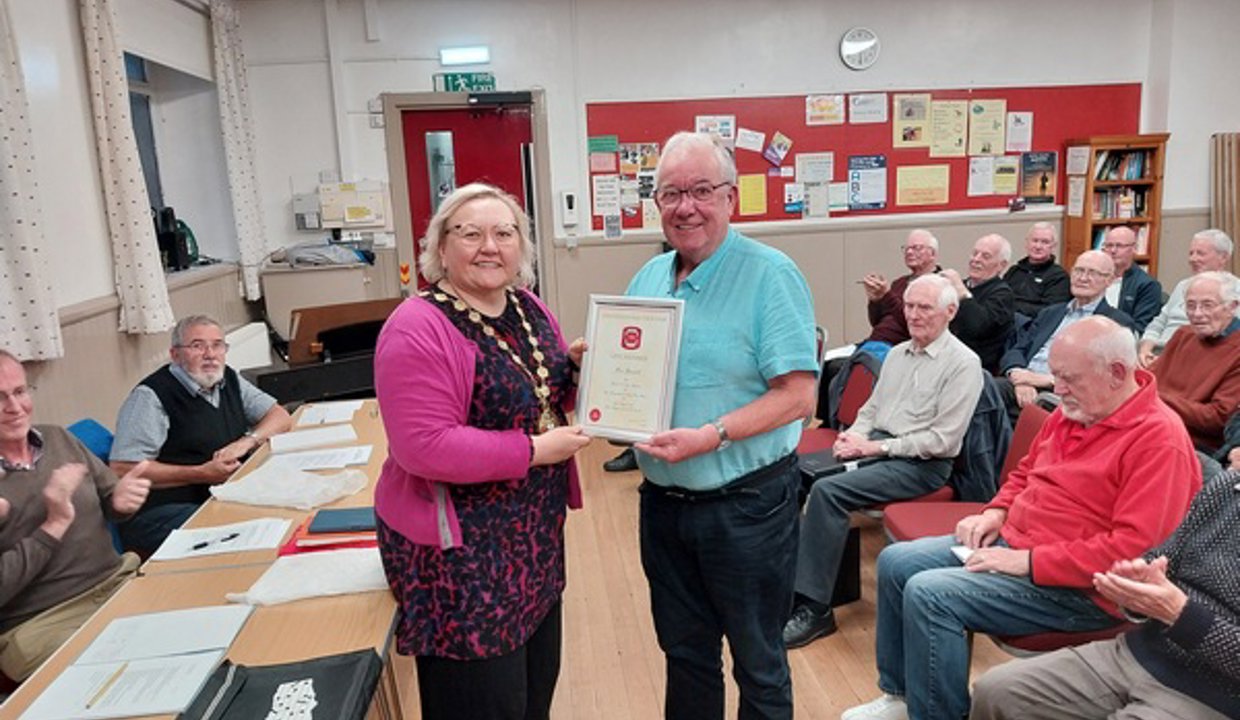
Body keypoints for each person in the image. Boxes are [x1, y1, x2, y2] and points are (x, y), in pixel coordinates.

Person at [843, 316, 1201, 720]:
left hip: (1084, 590)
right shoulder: (1080, 408)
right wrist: (996, 511)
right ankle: (903, 697)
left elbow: (1132, 554)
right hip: (1021, 545)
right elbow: (1026, 471)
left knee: (931, 593)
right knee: (896, 562)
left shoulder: (1159, 441)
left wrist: (1028, 561)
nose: (1057, 389)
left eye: (1069, 378)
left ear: (1117, 373)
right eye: (1056, 376)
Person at [371, 183, 590, 720]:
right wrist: (535, 451)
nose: (490, 246)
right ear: (441, 248)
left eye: (504, 233)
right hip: (462, 562)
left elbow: (540, 394)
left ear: (521, 246)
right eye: (470, 234)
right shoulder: (417, 325)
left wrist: (577, 370)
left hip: (533, 545)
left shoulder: (526, 306)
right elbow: (423, 446)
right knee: (480, 704)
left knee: (532, 696)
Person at [627, 132, 818, 720]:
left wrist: (711, 436)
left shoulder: (770, 274)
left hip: (746, 510)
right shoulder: (649, 277)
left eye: (701, 191)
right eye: (671, 193)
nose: (686, 207)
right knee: (685, 656)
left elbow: (798, 396)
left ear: (731, 198)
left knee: (758, 663)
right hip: (664, 506)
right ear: (656, 204)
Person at [784, 274, 982, 649]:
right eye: (909, 306)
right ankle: (788, 582)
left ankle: (815, 608)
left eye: (925, 308)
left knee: (828, 492)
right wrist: (852, 437)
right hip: (878, 447)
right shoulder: (897, 354)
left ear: (950, 311)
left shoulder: (963, 364)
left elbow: (941, 441)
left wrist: (873, 448)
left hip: (921, 465)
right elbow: (871, 410)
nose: (914, 315)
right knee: (795, 474)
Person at [970, 466, 1240, 720]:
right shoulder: (1227, 488)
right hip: (1143, 651)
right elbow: (1164, 560)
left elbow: (1178, 611)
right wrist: (1135, 583)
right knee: (995, 691)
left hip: (1217, 695)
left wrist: (1180, 614)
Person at [0, 350, 151, 681]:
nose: (15, 407)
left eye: (20, 391)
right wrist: (53, 525)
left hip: (116, 582)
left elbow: (110, 498)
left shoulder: (57, 437)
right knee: (126, 676)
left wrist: (121, 501)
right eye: (0, 398)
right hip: (42, 623)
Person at [110, 315, 292, 554]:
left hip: (218, 495)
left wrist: (247, 442)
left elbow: (280, 416)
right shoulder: (150, 396)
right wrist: (200, 473)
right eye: (198, 346)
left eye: (217, 345)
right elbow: (123, 467)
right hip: (161, 511)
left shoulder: (227, 378)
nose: (210, 354)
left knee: (285, 512)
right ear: (175, 354)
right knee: (254, 530)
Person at [996, 250, 1133, 422]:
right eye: (1079, 270)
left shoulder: (1114, 323)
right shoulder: (1050, 313)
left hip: (1064, 393)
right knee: (984, 387)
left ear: (1109, 280)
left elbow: (1101, 374)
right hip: (1022, 383)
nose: (1083, 278)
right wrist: (1020, 377)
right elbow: (1018, 348)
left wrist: (1046, 380)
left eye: (1093, 273)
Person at [816, 230, 940, 420]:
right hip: (875, 341)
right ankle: (828, 421)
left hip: (899, 348)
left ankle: (849, 421)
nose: (909, 252)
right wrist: (875, 300)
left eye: (916, 248)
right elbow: (877, 321)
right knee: (827, 364)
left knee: (840, 369)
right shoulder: (900, 282)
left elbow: (912, 323)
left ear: (933, 254)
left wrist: (887, 296)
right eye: (906, 248)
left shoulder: (936, 285)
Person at [1148, 271, 1240, 452]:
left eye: (1207, 305)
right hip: (1153, 425)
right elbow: (1149, 378)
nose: (1197, 314)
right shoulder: (1184, 334)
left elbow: (1219, 419)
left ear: (1232, 306)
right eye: (1190, 305)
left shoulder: (1236, 350)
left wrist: (1155, 398)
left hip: (1191, 444)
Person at [1138, 228, 1234, 366]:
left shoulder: (1233, 291)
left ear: (1223, 257)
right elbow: (1159, 323)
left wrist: (1168, 359)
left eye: (1200, 253)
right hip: (1157, 353)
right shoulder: (1182, 286)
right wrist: (1145, 349)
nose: (1193, 259)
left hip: (1190, 359)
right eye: (1191, 253)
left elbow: (1221, 338)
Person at [941, 233, 1016, 374]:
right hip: (945, 358)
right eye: (975, 253)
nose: (976, 259)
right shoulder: (960, 286)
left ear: (1002, 265)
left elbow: (977, 326)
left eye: (985, 256)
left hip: (977, 367)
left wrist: (961, 291)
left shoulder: (1003, 295)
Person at [1101, 225, 1163, 333]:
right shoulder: (1094, 277)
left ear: (1134, 248)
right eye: (1109, 245)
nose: (1113, 250)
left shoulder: (1147, 285)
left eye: (1119, 246)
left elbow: (1140, 327)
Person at [1003, 223, 1071, 319]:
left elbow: (1050, 312)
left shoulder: (1059, 277)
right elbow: (1000, 297)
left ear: (1053, 246)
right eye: (1035, 241)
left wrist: (1012, 307)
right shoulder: (1015, 270)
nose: (1038, 246)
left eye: (1045, 242)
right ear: (1027, 243)